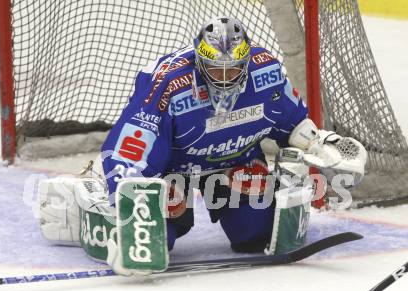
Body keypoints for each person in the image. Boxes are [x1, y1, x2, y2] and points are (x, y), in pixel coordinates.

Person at [101, 16, 367, 263]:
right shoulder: (169, 84)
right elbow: (129, 149)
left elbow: (293, 123)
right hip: (173, 170)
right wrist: (127, 195)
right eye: (217, 70)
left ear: (247, 61)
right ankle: (97, 207)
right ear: (200, 62)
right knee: (154, 240)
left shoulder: (266, 73)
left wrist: (322, 145)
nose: (226, 79)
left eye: (234, 69)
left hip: (235, 165)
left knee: (254, 232)